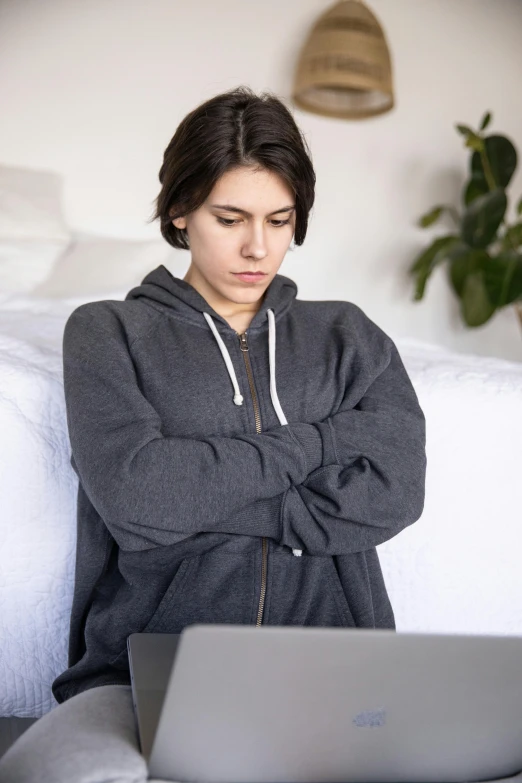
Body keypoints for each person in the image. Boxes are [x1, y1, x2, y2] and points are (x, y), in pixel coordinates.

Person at [0, 85, 427, 783]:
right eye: (230, 218)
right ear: (181, 211)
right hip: (143, 682)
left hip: (337, 677)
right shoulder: (108, 332)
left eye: (280, 219)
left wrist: (194, 496)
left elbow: (394, 494)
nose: (258, 246)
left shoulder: (348, 335)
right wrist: (319, 443)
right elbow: (139, 496)